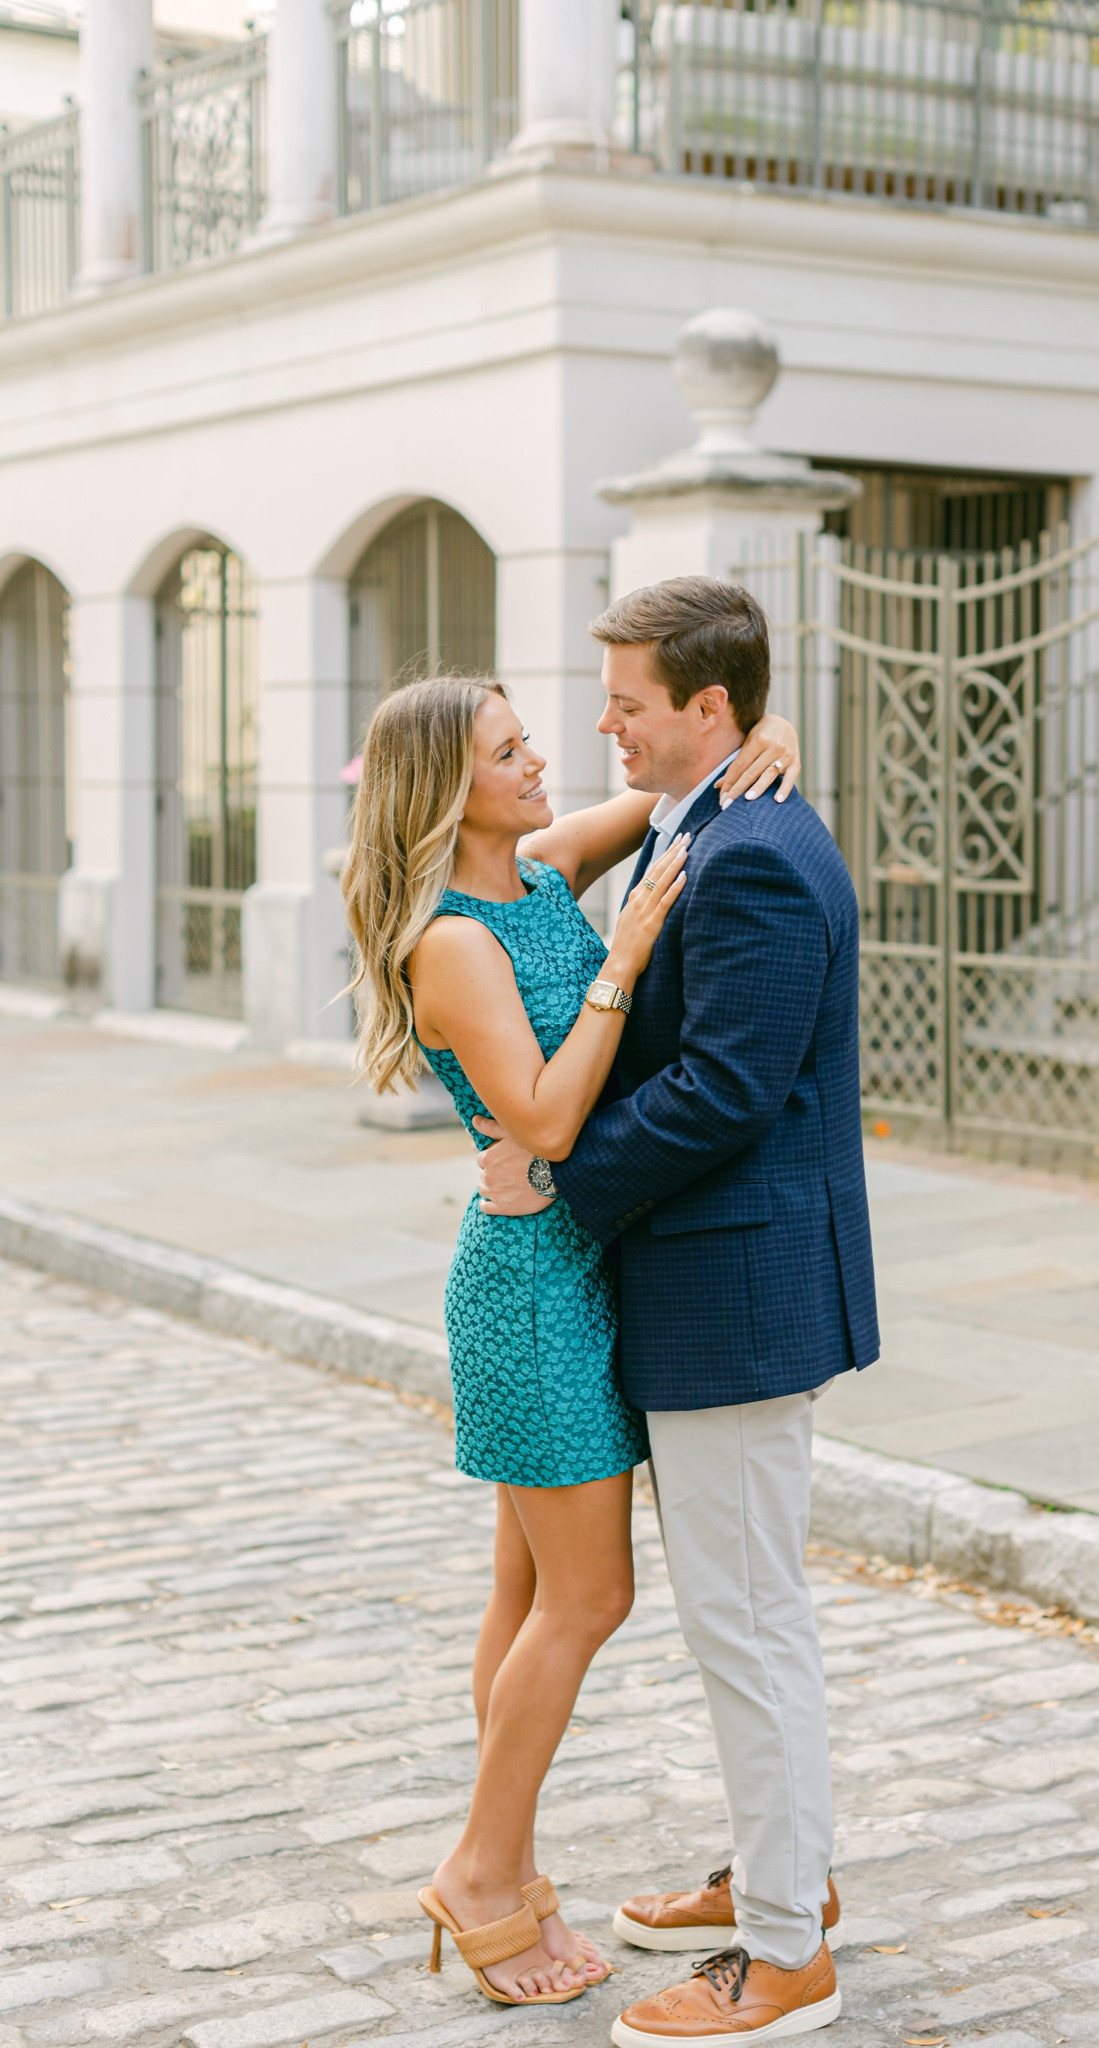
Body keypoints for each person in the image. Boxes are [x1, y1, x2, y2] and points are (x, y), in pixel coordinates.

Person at [340, 671, 802, 2009]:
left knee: (524, 1595)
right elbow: (540, 1122)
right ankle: (481, 1875)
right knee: (588, 1597)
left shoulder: (540, 863)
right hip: (529, 1292)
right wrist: (625, 958)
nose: (540, 760)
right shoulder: (452, 941)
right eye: (507, 749)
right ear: (448, 785)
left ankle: (507, 1861)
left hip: (576, 1264)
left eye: (531, 739)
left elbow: (674, 786)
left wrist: (757, 737)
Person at [477, 577, 879, 2046]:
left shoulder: (755, 849)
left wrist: (551, 1169)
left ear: (709, 708)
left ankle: (784, 1958)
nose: (602, 725)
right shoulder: (704, 812)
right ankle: (788, 1881)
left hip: (739, 1294)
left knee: (746, 1624)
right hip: (712, 1286)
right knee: (746, 1615)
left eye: (628, 703)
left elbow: (725, 1089)